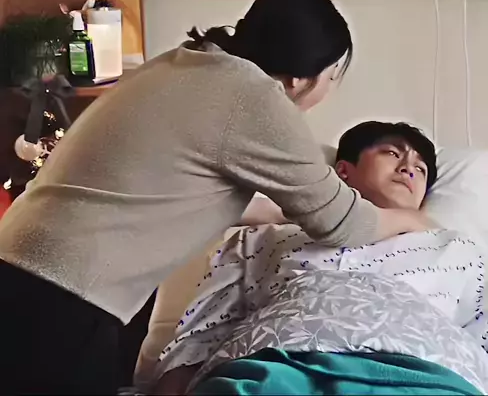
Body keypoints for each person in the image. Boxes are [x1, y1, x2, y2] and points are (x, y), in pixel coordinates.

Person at [0, 0, 433, 394]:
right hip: (63, 297)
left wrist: (278, 211)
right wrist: (412, 220)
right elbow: (342, 223)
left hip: (20, 263)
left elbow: (173, 184)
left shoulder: (186, 64)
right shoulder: (253, 98)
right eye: (334, 76)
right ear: (304, 78)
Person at [142, 122, 488, 395]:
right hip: (274, 368)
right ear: (343, 171)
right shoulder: (267, 237)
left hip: (425, 376)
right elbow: (201, 336)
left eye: (421, 168)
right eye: (392, 153)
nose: (409, 168)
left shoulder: (460, 251)